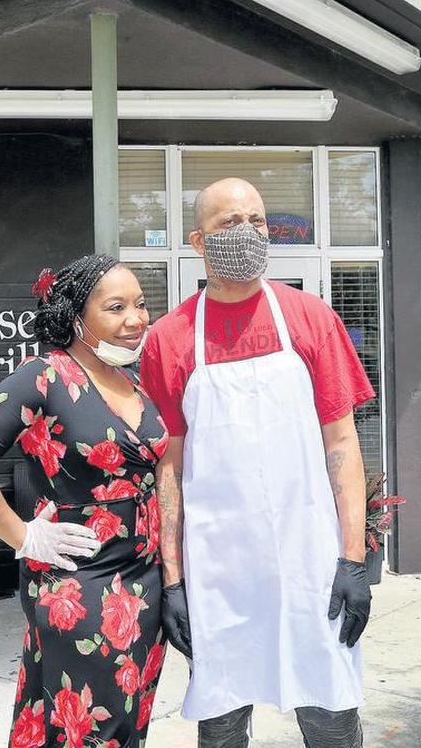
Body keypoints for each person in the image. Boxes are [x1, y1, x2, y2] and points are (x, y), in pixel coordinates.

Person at [139, 178, 377, 747]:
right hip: (218, 567)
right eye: (229, 224)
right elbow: (167, 467)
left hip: (310, 560)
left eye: (258, 221)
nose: (248, 233)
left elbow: (342, 446)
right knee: (221, 725)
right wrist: (174, 581)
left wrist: (353, 559)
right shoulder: (168, 340)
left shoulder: (311, 318)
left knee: (330, 713)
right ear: (199, 240)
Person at [0, 255, 169, 748]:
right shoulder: (44, 375)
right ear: (75, 316)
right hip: (82, 585)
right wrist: (23, 535)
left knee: (126, 721)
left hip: (145, 581)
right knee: (89, 727)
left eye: (141, 304)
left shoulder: (131, 379)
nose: (136, 318)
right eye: (115, 307)